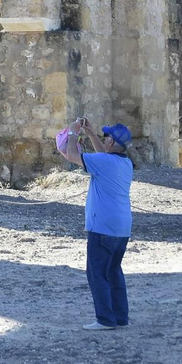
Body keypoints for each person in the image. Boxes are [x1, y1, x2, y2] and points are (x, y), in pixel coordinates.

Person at [56, 117, 134, 330]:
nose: (104, 139)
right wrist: (91, 134)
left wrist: (73, 133)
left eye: (106, 137)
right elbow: (103, 155)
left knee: (97, 273)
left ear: (111, 142)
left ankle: (105, 319)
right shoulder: (125, 164)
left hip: (102, 226)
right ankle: (120, 317)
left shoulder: (103, 163)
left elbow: (72, 155)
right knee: (114, 271)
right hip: (122, 227)